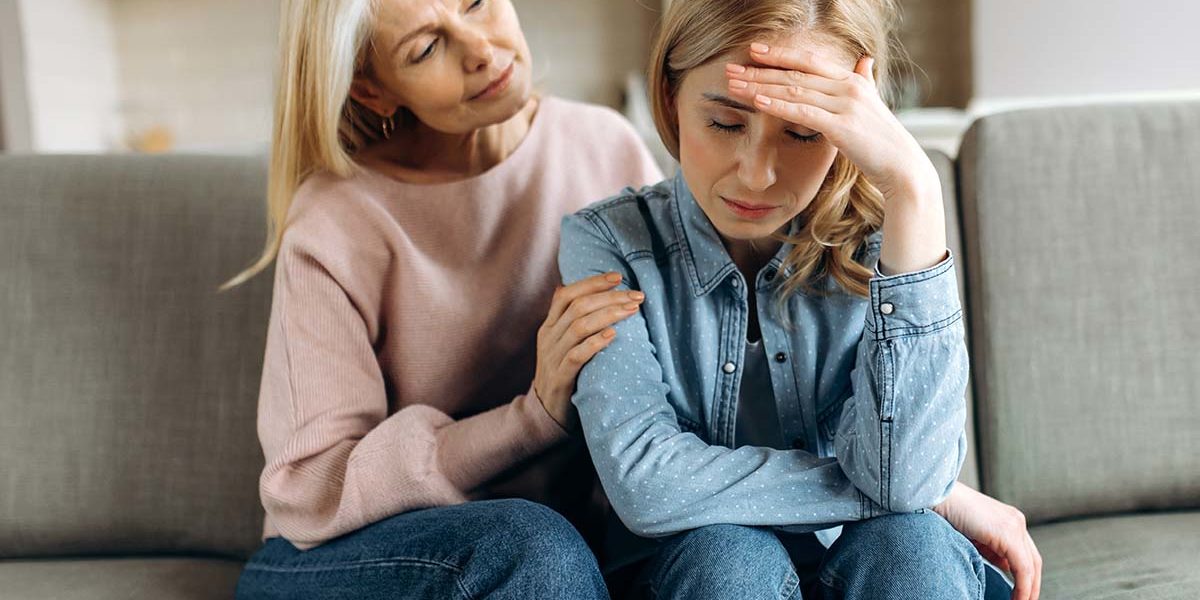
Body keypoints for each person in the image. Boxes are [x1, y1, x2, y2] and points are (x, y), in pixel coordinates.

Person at [558, 0, 1042, 598]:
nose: (757, 173)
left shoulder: (886, 242)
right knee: (728, 556)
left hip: (871, 562)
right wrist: (933, 495)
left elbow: (909, 481)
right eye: (726, 123)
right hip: (696, 572)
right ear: (670, 101)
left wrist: (915, 187)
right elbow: (647, 486)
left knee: (912, 547)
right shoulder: (608, 240)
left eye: (803, 131)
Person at [224, 0, 662, 597]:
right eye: (426, 48)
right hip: (348, 555)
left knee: (723, 550)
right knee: (531, 545)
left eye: (478, 4)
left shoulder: (604, 145)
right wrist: (532, 419)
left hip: (562, 550)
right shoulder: (337, 219)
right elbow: (311, 487)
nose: (480, 49)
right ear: (374, 91)